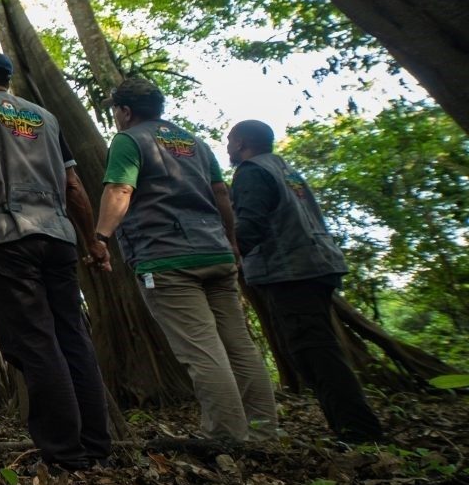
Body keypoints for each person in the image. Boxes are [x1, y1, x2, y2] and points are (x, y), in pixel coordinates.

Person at [0, 51, 114, 470]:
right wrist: (92, 240)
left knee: (35, 342)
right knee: (72, 335)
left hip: (6, 238)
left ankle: (64, 452)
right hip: (58, 237)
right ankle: (96, 444)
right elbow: (73, 186)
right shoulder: (46, 118)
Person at [95, 77, 278, 442]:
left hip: (167, 258)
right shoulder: (193, 142)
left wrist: (101, 236)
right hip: (216, 251)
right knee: (238, 344)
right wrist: (231, 240)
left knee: (201, 348)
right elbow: (220, 194)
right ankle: (263, 431)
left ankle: (225, 435)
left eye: (116, 110)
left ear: (125, 111)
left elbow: (120, 188)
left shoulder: (130, 140)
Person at [227, 120, 386, 443]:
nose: (228, 148)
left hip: (291, 271)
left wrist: (224, 254)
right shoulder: (284, 169)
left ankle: (359, 432)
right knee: (315, 348)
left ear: (242, 143)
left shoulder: (252, 171)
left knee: (315, 352)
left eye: (230, 142)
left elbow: (250, 225)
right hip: (317, 264)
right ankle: (347, 426)